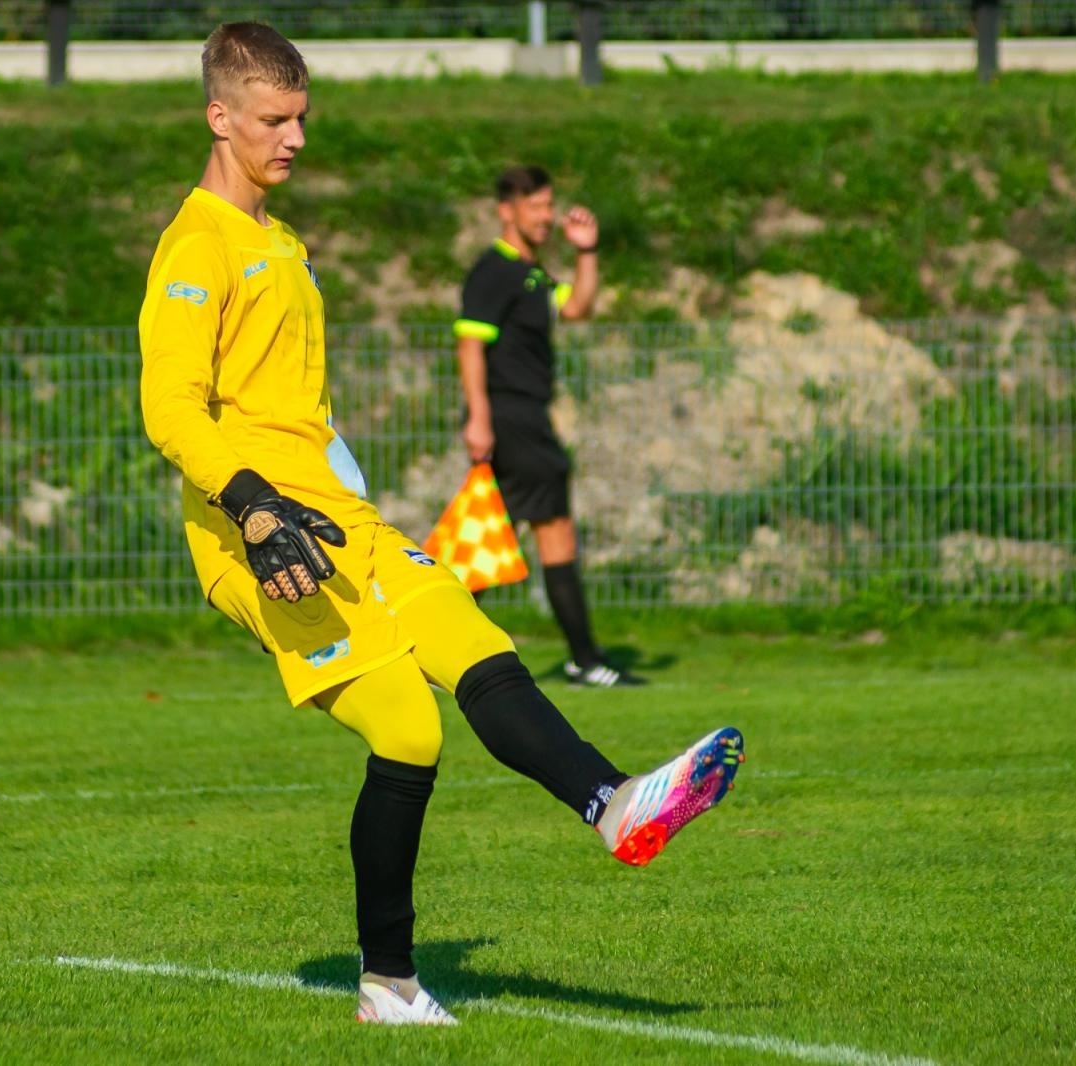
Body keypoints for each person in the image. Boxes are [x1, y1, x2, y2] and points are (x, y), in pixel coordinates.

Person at [138, 22, 744, 1027]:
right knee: (408, 730)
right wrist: (252, 509)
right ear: (220, 117)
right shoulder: (196, 246)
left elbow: (293, 411)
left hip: (339, 518)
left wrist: (345, 493)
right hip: (261, 536)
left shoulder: (281, 243)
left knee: (468, 630)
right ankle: (388, 982)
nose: (295, 138)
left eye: (302, 118)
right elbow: (170, 409)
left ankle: (613, 803)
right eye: (274, 120)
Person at [454, 166, 643, 688]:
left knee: (486, 536)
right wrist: (479, 417)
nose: (545, 216)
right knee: (547, 529)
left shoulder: (532, 274)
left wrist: (587, 251)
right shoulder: (494, 270)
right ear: (506, 210)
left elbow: (578, 308)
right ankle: (585, 658)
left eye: (548, 205)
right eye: (534, 206)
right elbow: (470, 346)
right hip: (510, 416)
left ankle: (431, 646)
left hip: (526, 417)